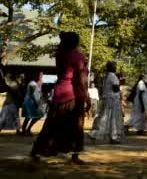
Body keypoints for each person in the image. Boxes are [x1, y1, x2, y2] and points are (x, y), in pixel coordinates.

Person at [31, 31, 89, 164]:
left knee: (51, 124)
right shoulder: (77, 56)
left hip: (59, 92)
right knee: (76, 126)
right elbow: (80, 79)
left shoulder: (60, 54)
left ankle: (37, 151)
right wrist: (86, 96)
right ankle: (74, 155)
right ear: (76, 42)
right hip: (73, 94)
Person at [89, 61, 125, 144]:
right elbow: (115, 89)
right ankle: (110, 136)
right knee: (111, 118)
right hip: (112, 100)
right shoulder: (113, 76)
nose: (115, 67)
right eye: (114, 66)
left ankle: (99, 134)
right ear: (111, 67)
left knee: (104, 117)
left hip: (107, 98)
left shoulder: (108, 76)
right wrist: (120, 82)